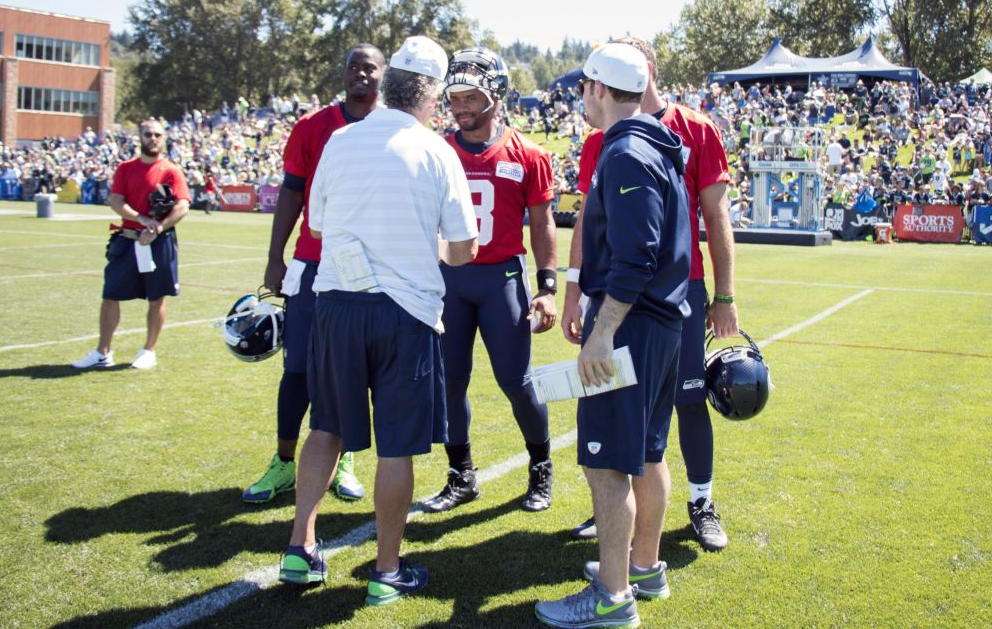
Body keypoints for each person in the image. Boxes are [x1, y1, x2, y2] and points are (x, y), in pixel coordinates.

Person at [277, 36, 479, 607]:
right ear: (433, 93)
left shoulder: (339, 141)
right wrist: (425, 244)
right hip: (405, 312)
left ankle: (300, 546)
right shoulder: (437, 151)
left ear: (388, 83)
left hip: (336, 303)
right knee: (397, 446)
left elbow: (315, 221)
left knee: (325, 427)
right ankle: (385, 571)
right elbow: (463, 250)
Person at [562, 37, 739, 553]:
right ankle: (633, 539)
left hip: (661, 292)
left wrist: (724, 294)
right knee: (635, 425)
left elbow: (716, 215)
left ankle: (700, 502)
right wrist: (573, 288)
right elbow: (587, 221)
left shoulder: (691, 129)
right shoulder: (605, 139)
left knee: (684, 402)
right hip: (632, 292)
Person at [535, 43, 690, 629]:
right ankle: (644, 566)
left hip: (633, 326)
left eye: (584, 86)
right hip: (659, 323)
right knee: (648, 454)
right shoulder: (649, 142)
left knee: (609, 465)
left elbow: (636, 256)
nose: (580, 96)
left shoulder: (625, 151)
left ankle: (613, 596)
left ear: (599, 88)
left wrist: (602, 334)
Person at [242, 44, 385, 505]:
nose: (360, 74)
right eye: (353, 67)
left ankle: (342, 458)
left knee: (352, 373)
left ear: (384, 76)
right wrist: (274, 255)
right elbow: (291, 193)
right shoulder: (312, 127)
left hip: (368, 269)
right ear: (342, 75)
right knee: (298, 368)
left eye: (370, 67)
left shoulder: (395, 128)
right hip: (312, 262)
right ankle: (284, 461)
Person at [419, 46, 559, 515]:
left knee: (516, 383)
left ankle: (541, 468)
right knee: (449, 382)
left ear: (495, 96)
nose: (459, 106)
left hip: (501, 279)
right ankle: (461, 476)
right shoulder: (437, 149)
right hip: (449, 281)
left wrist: (546, 286)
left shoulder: (528, 154)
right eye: (453, 97)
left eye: (469, 96)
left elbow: (541, 224)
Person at [72, 119, 190, 370]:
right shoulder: (125, 169)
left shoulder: (171, 170)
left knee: (157, 298)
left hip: (159, 242)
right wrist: (141, 219)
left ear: (164, 138)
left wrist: (158, 226)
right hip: (127, 239)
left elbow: (182, 206)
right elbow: (116, 200)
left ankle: (149, 350)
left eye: (158, 134)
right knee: (110, 295)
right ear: (140, 137)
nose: (153, 138)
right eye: (148, 134)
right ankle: (102, 352)